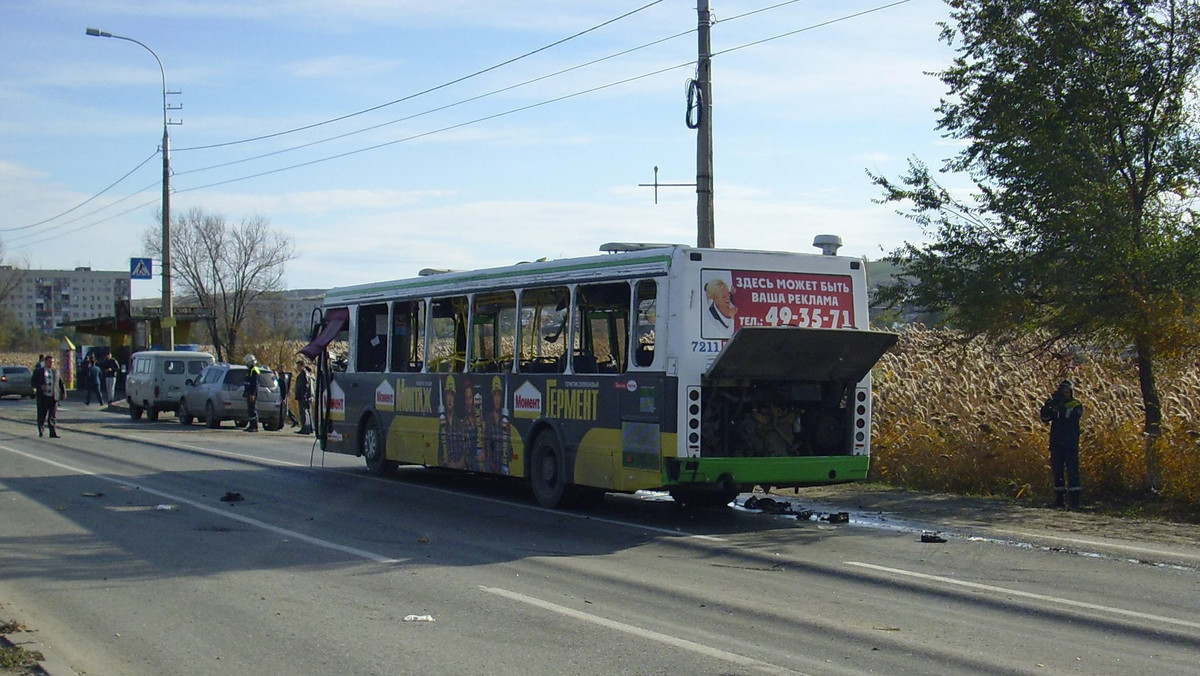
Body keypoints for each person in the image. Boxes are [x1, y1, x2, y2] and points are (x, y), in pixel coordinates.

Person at [1040, 379, 1084, 509]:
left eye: (1067, 390)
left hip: (1070, 443)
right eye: (1062, 390)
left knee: (1072, 471)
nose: (1064, 393)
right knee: (1057, 471)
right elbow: (1045, 419)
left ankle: (1075, 502)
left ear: (1071, 391)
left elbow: (1072, 417)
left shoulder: (1076, 404)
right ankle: (1059, 500)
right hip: (1056, 443)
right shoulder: (1056, 404)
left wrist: (1060, 407)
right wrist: (1047, 408)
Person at [31, 354, 67, 438]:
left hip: (53, 397)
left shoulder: (56, 372)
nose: (51, 363)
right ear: (45, 362)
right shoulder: (39, 372)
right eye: (49, 362)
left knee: (52, 416)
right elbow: (33, 382)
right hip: (43, 397)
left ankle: (52, 432)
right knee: (42, 415)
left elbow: (61, 383)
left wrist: (63, 392)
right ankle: (41, 430)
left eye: (52, 362)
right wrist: (40, 386)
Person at [293, 360, 314, 435]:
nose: (297, 368)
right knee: (308, 412)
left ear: (302, 366)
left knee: (304, 412)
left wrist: (304, 396)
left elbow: (305, 386)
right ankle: (310, 428)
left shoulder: (304, 374)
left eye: (298, 366)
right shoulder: (307, 374)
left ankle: (305, 428)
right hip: (306, 396)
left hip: (303, 397)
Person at [243, 354, 261, 432]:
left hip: (252, 393)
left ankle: (254, 426)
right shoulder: (251, 370)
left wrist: (252, 394)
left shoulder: (254, 370)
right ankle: (251, 425)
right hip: (249, 392)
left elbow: (254, 383)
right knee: (250, 410)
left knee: (253, 409)